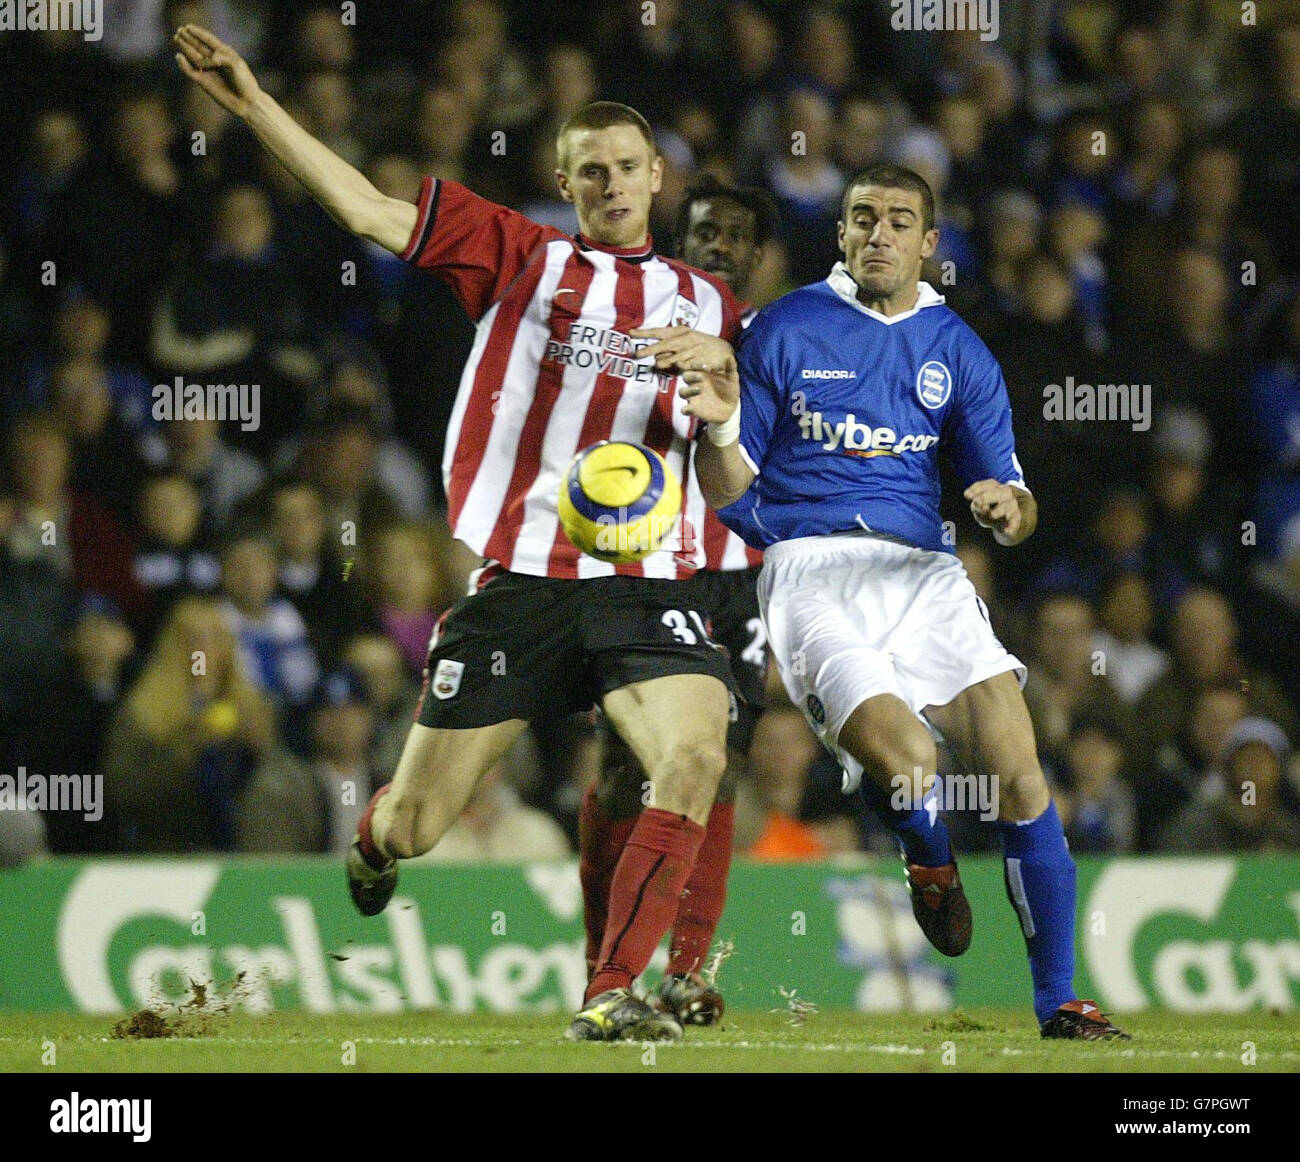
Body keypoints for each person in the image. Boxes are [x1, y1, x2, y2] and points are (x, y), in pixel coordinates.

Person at [175, 25, 741, 1043]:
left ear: (658, 176)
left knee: (694, 756)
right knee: (417, 824)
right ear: (564, 186)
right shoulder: (521, 256)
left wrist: (726, 393)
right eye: (588, 172)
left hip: (648, 587)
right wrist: (252, 101)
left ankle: (610, 991)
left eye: (626, 168)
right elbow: (363, 207)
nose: (611, 185)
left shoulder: (712, 310)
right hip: (520, 581)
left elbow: (729, 479)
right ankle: (375, 838)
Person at [640, 163, 1128, 1040]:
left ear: (928, 244)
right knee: (908, 765)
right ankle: (927, 851)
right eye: (863, 217)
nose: (879, 234)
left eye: (900, 221)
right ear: (842, 233)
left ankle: (1059, 1000)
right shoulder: (785, 328)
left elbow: (1013, 500)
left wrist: (1007, 511)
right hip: (811, 573)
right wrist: (717, 422)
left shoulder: (960, 350)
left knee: (1021, 774)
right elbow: (725, 489)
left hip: (925, 575)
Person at [581, 175, 777, 1026]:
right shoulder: (636, 332)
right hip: (652, 569)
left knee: (720, 760)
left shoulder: (776, 342)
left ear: (758, 255)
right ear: (678, 238)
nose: (722, 246)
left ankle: (685, 971)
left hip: (743, 576)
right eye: (707, 231)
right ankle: (607, 970)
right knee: (629, 767)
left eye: (738, 236)